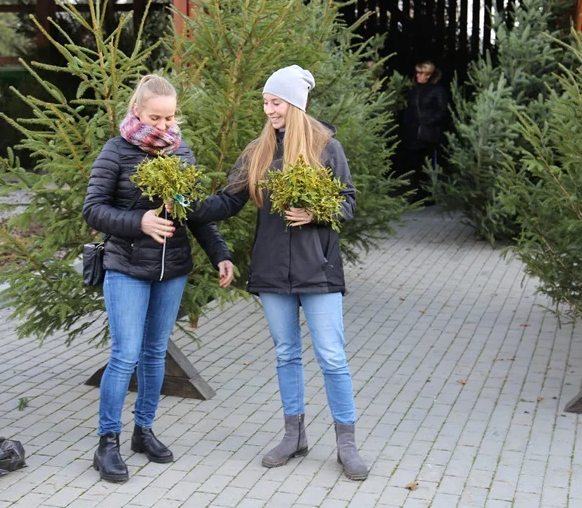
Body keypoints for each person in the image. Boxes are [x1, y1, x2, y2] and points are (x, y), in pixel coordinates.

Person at [186, 65, 370, 481]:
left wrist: (317, 212)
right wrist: (183, 204)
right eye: (266, 102)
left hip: (318, 269)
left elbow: (349, 202)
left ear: (295, 105)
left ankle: (347, 444)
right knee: (286, 353)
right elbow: (227, 202)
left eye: (276, 102)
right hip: (272, 270)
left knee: (332, 357)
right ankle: (294, 435)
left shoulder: (327, 148)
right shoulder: (259, 151)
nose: (269, 109)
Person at [82, 74, 234, 483]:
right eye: (157, 117)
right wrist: (140, 221)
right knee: (125, 355)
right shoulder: (116, 151)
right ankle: (107, 444)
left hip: (172, 271)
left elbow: (192, 211)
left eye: (170, 118)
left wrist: (219, 253)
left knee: (153, 354)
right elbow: (93, 209)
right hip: (127, 268)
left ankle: (143, 432)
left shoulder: (181, 152)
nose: (166, 126)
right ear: (137, 111)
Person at [401, 60, 449, 202]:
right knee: (416, 164)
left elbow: (442, 111)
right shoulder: (414, 90)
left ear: (429, 75)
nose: (418, 75)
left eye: (421, 73)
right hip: (414, 132)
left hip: (430, 133)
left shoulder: (437, 90)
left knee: (429, 164)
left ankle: (431, 193)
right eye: (417, 72)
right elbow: (409, 109)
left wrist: (428, 122)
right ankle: (419, 192)